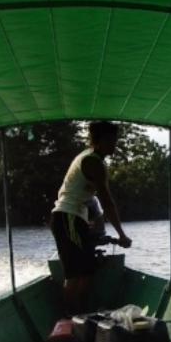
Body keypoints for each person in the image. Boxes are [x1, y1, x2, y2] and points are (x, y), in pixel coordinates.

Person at [50, 121, 132, 315]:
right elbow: (107, 201)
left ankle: (81, 316)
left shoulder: (91, 158)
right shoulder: (93, 162)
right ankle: (71, 321)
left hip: (74, 218)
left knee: (86, 272)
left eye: (115, 140)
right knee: (76, 274)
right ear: (98, 141)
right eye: (110, 140)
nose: (114, 144)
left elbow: (90, 199)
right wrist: (121, 235)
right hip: (67, 217)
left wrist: (90, 223)